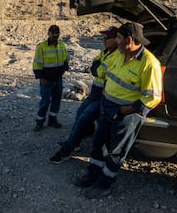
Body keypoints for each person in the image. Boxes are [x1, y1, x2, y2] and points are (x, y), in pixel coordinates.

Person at [74, 22, 162, 199]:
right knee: (98, 143)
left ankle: (104, 184)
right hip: (106, 107)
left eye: (119, 38)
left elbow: (152, 98)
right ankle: (93, 174)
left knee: (116, 151)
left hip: (126, 115)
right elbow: (102, 72)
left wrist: (123, 110)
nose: (116, 40)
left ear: (129, 40)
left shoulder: (149, 64)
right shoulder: (118, 54)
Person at [50, 26, 118, 163]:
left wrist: (96, 68)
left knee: (83, 120)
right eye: (103, 37)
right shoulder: (106, 52)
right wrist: (96, 68)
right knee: (80, 114)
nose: (104, 40)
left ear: (116, 40)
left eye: (107, 38)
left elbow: (98, 71)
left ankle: (67, 150)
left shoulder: (117, 56)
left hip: (103, 95)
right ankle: (75, 142)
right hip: (95, 92)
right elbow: (94, 68)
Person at [33, 24, 70, 131]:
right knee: (45, 102)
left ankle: (52, 120)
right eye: (53, 32)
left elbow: (66, 59)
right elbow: (37, 64)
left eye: (57, 33)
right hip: (46, 80)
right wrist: (41, 79)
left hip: (58, 79)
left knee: (56, 100)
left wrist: (64, 69)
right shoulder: (41, 47)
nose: (55, 35)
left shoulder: (62, 45)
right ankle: (39, 122)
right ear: (48, 33)